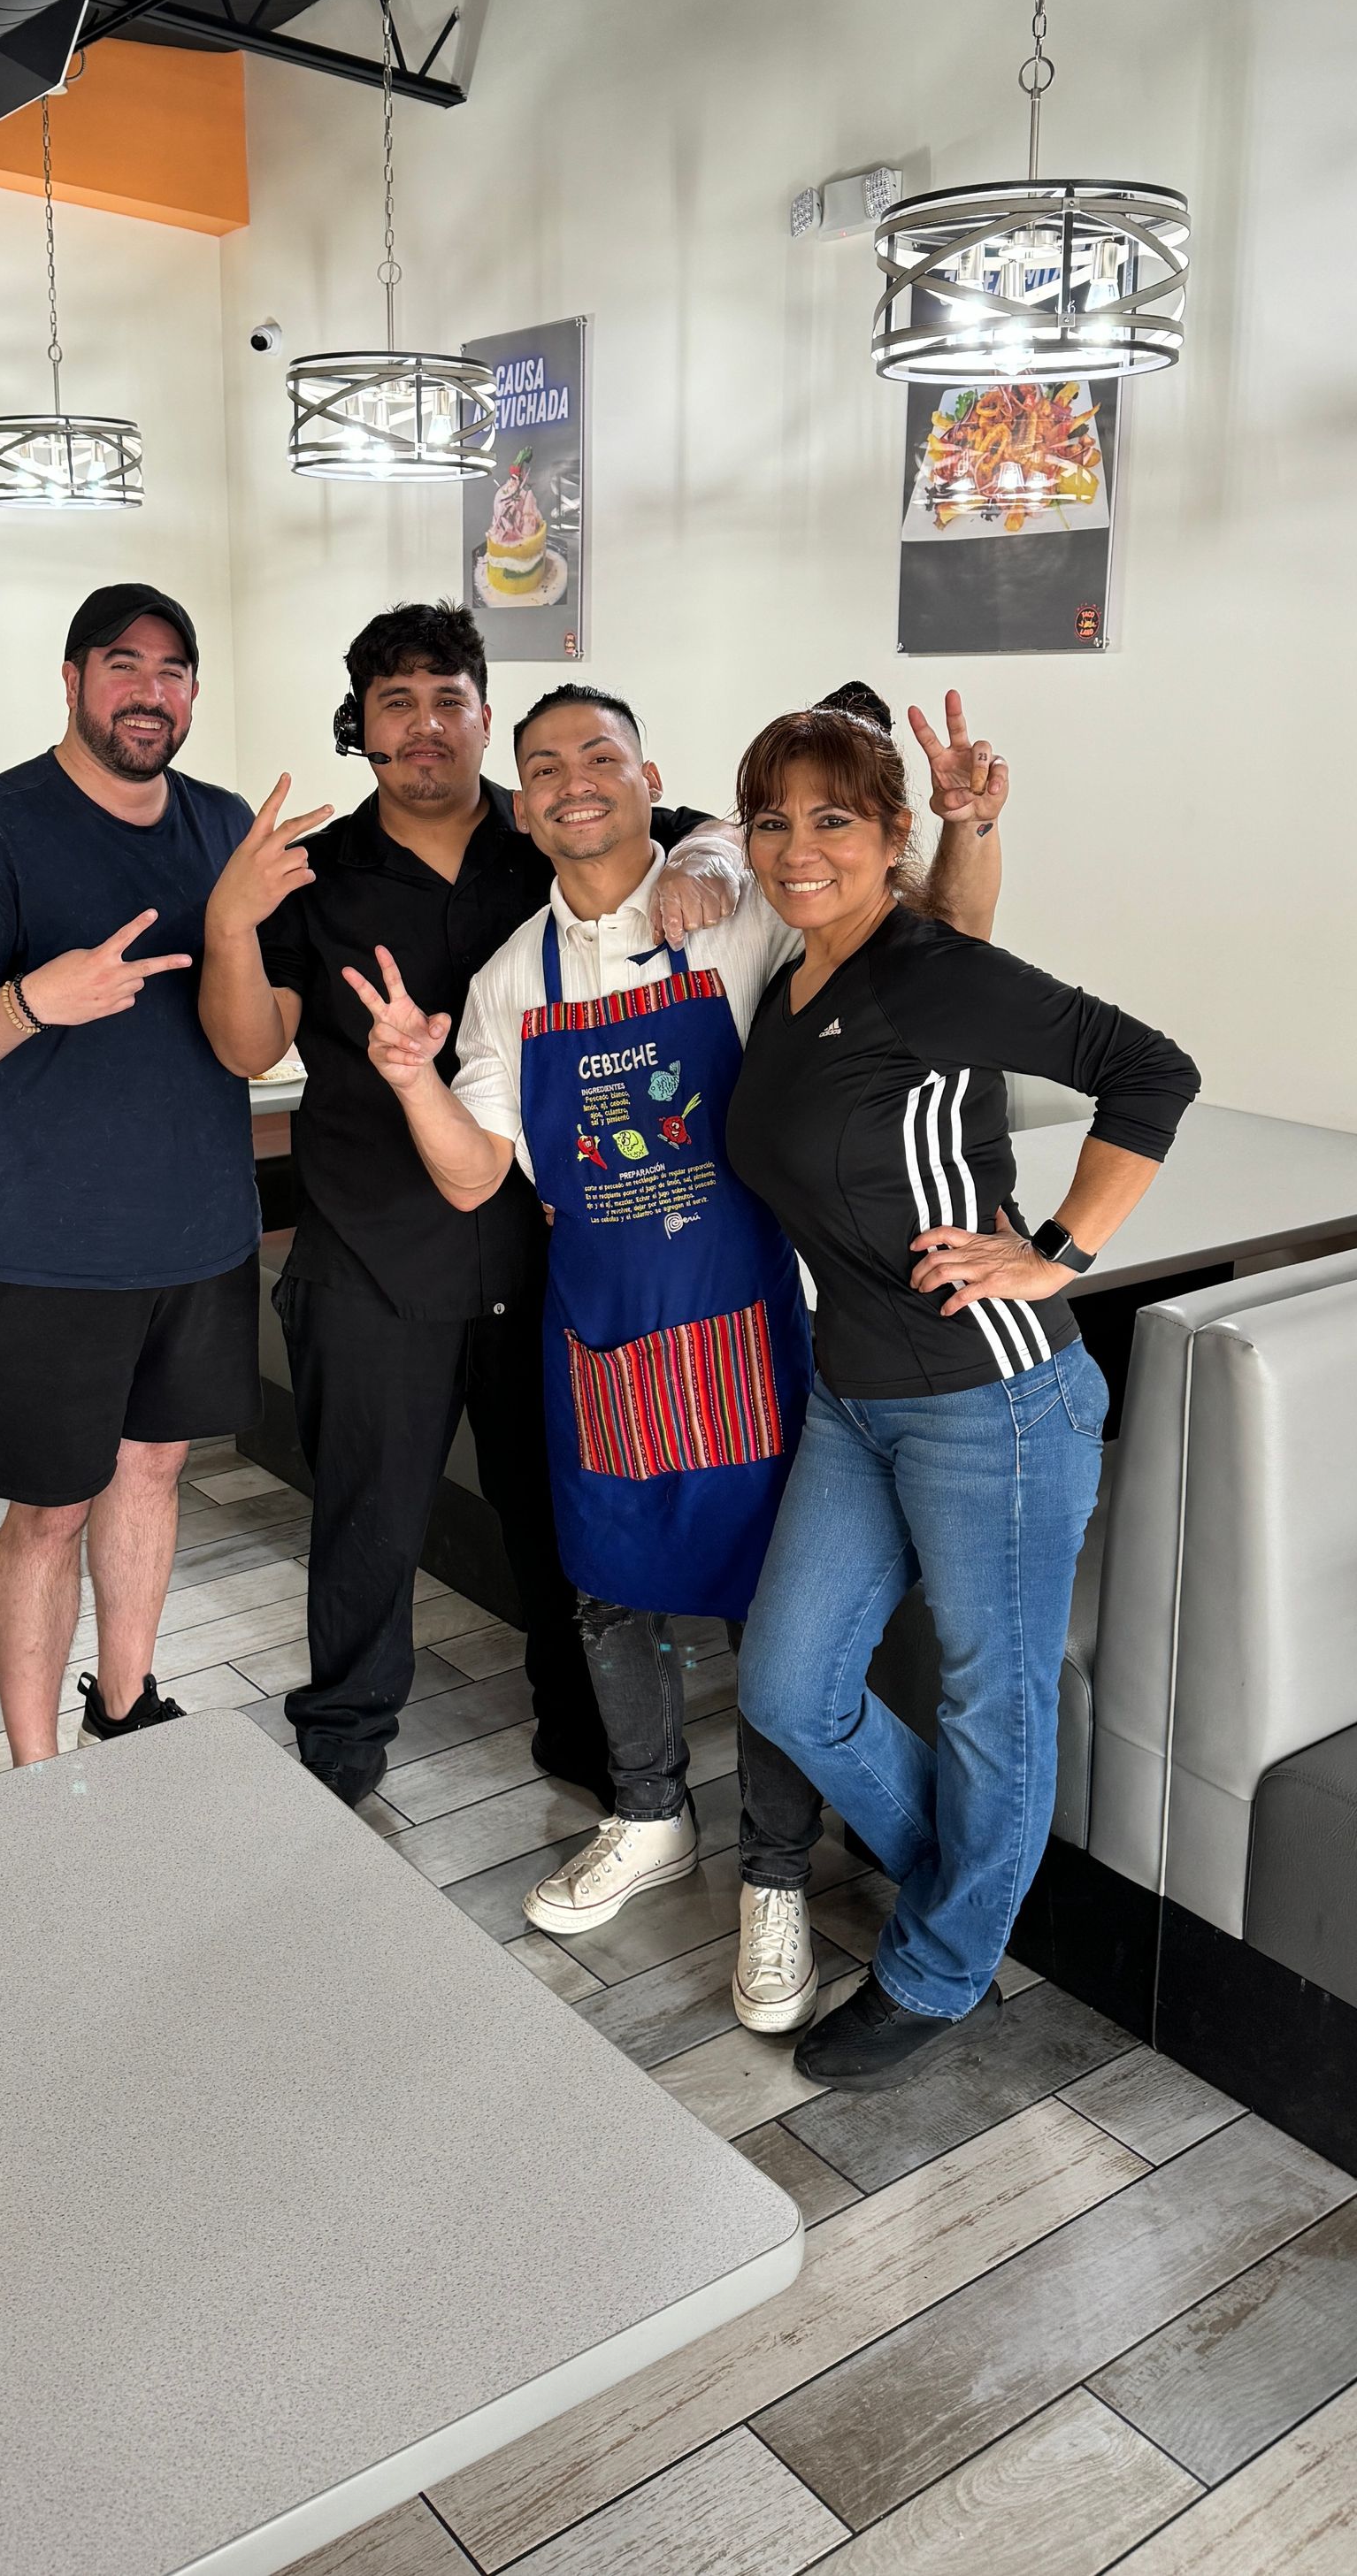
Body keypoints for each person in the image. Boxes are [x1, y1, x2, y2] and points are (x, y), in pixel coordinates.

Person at [345, 680, 1006, 2036]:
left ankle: (774, 1872)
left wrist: (957, 829)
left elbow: (945, 948)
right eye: (544, 764)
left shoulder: (746, 906)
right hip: (599, 1333)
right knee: (609, 1596)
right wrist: (413, 1078)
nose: (573, 779)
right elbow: (477, 1179)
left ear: (653, 776)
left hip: (751, 1326)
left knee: (767, 1609)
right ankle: (650, 1813)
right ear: (522, 803)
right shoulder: (508, 977)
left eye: (600, 754)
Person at [197, 602, 754, 1808]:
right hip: (369, 1250)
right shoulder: (319, 875)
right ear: (363, 728)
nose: (427, 724)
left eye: (450, 697)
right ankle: (341, 1749)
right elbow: (248, 1048)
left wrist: (711, 854)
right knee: (368, 1522)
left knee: (558, 1514)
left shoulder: (549, 833)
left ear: (485, 719)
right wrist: (230, 923)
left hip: (542, 1249)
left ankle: (585, 1732)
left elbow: (710, 829)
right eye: (398, 702)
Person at [727, 692, 1199, 2089]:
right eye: (772, 818)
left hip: (986, 1402)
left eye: (830, 818)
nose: (795, 846)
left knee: (995, 1702)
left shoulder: (917, 966)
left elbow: (1150, 1072)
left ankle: (941, 1967)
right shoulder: (800, 971)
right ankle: (974, 1881)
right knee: (787, 1683)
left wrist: (1055, 1251)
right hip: (854, 1392)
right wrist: (969, 834)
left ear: (887, 837)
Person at [0, 585, 261, 1767]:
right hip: (56, 1247)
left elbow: (249, 1016)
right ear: (71, 679)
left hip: (204, 1230)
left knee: (155, 1467)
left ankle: (125, 1702)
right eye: (123, 664)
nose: (148, 691)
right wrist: (31, 1001)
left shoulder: (220, 828)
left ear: (194, 693)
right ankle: (32, 1770)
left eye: (172, 670)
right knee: (49, 1510)